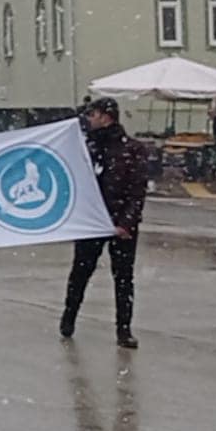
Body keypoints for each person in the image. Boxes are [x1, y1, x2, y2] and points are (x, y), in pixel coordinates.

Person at [61, 97, 147, 350]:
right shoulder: (86, 147)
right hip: (91, 222)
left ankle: (124, 329)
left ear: (105, 117)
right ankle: (69, 317)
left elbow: (137, 190)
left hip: (120, 223)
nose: (89, 120)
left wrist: (126, 223)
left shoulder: (131, 149)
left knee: (123, 278)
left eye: (93, 115)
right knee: (80, 272)